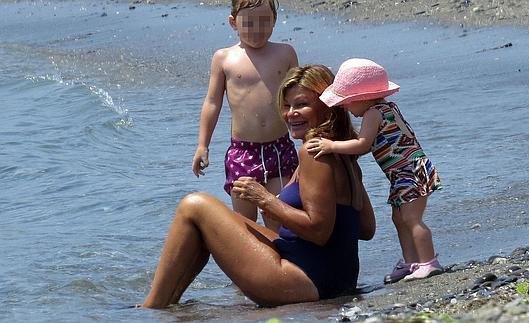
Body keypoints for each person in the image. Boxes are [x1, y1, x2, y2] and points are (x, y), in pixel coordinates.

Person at [142, 64, 376, 308]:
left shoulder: (314, 153)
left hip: (307, 280)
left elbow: (319, 231)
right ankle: (165, 306)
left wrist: (266, 199)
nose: (291, 113)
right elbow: (366, 228)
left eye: (301, 104)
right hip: (337, 280)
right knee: (210, 227)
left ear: (327, 106)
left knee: (195, 205)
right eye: (287, 106)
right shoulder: (343, 152)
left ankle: (150, 309)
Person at [306, 58, 443, 283]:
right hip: (403, 173)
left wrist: (330, 146)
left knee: (411, 219)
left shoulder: (373, 113)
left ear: (362, 98)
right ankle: (411, 263)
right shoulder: (385, 108)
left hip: (409, 171)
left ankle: (429, 263)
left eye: (347, 103)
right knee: (398, 219)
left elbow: (363, 144)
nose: (345, 108)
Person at [191, 0, 299, 231]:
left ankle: (281, 263)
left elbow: (300, 98)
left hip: (279, 148)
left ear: (274, 20)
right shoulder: (224, 58)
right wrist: (203, 145)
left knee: (279, 217)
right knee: (245, 224)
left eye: (264, 22)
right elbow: (212, 102)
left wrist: (311, 134)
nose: (256, 29)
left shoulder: (285, 53)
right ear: (233, 23)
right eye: (248, 23)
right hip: (243, 152)